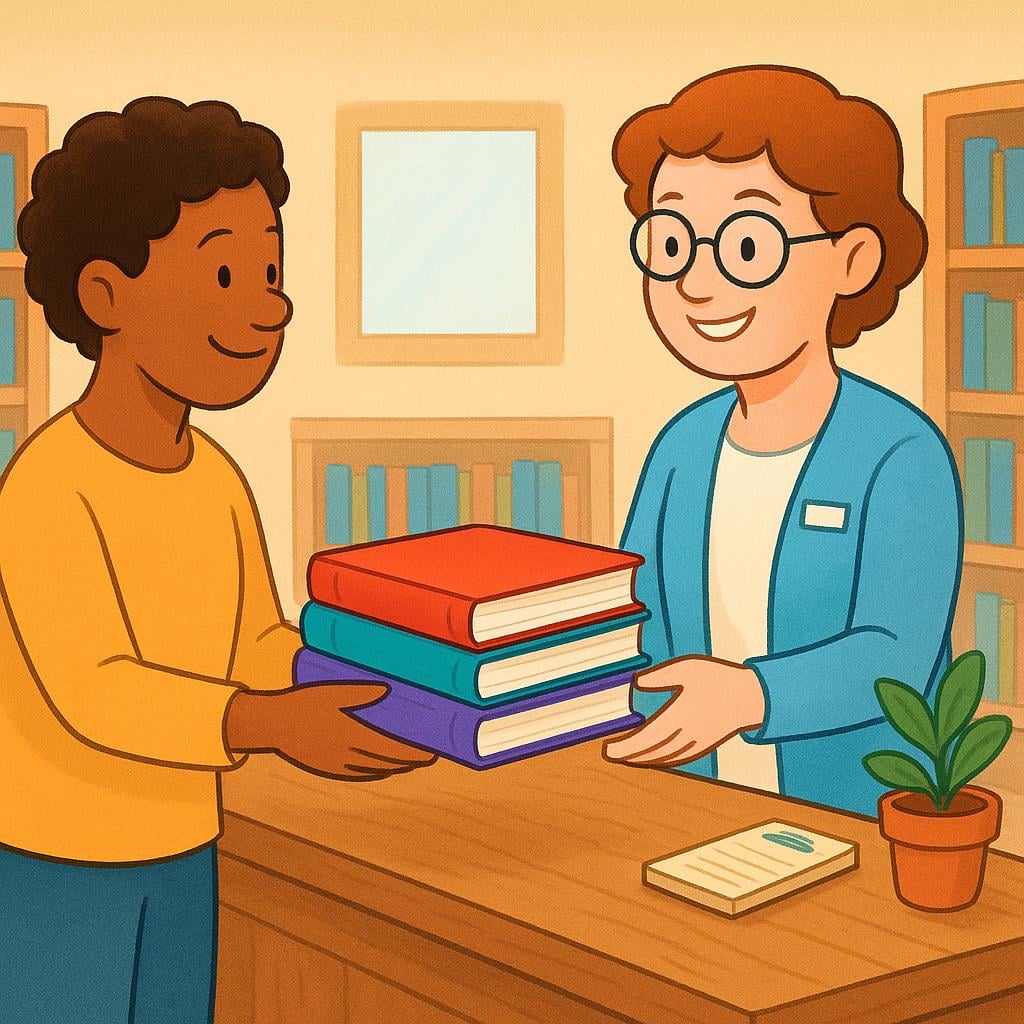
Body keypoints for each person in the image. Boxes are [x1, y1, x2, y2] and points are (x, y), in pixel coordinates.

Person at [0, 97, 435, 1024]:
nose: (267, 305)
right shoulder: (48, 485)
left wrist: (364, 686)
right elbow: (97, 687)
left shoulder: (214, 479)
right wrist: (271, 724)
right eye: (228, 272)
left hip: (185, 849)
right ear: (106, 295)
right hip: (53, 866)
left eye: (271, 270)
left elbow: (255, 639)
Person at [603, 66, 963, 816]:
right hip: (690, 800)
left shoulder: (899, 452)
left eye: (745, 247)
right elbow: (631, 613)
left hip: (846, 812)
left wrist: (750, 695)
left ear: (852, 261)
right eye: (671, 243)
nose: (697, 284)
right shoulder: (681, 446)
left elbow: (895, 654)